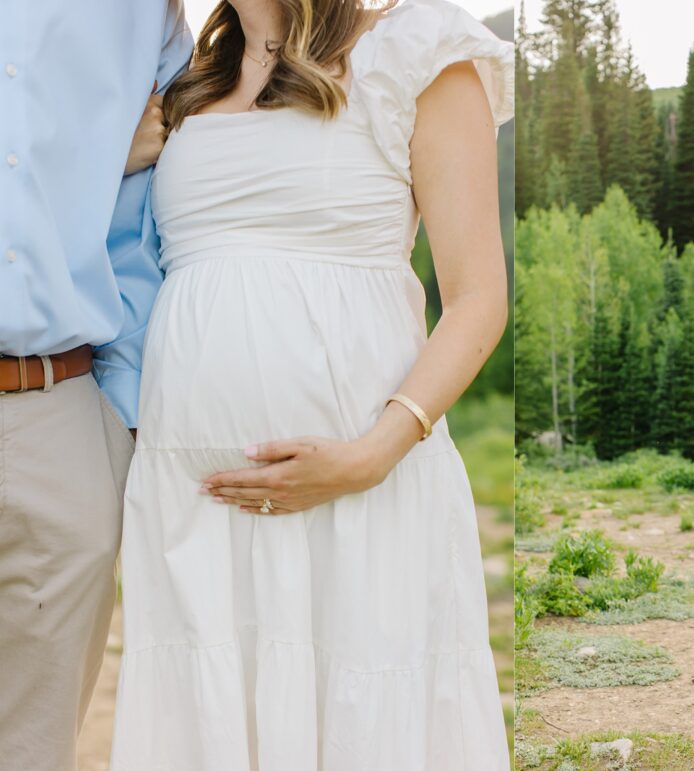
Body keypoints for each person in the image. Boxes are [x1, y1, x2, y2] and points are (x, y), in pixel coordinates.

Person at [108, 0, 513, 768]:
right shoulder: (182, 84)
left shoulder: (416, 51)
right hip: (196, 504)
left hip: (365, 490)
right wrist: (112, 156)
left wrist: (372, 454)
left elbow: (477, 299)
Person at [0, 4, 191, 769]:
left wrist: (116, 431)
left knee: (32, 748)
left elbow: (149, 229)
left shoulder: (146, 14)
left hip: (59, 416)